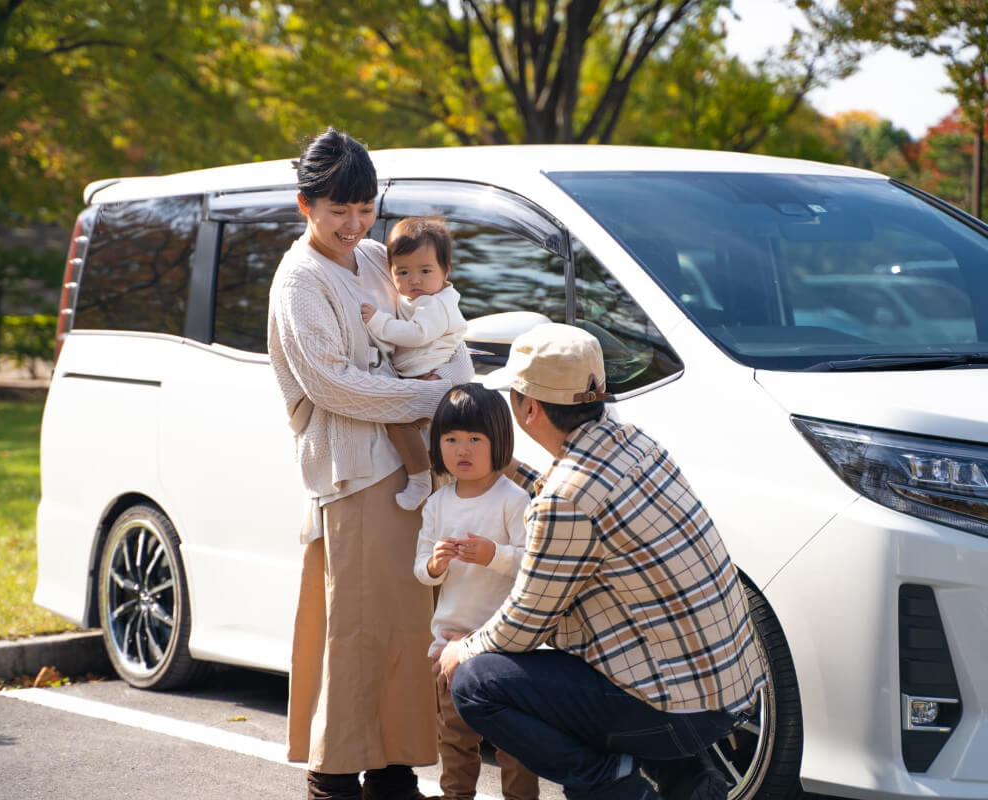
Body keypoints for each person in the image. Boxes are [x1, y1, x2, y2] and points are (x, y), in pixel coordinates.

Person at [434, 323, 767, 800]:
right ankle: (689, 784)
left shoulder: (567, 498)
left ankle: (611, 786)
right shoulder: (634, 443)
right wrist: (507, 467)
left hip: (674, 713)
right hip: (724, 695)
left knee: (476, 683)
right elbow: (572, 496)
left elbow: (522, 626)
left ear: (528, 408)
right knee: (614, 655)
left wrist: (460, 649)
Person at [267, 127, 473, 800]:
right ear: (306, 207)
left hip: (410, 465)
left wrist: (453, 395)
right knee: (356, 627)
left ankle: (392, 770)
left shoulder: (382, 256)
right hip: (355, 472)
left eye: (364, 208)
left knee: (408, 623)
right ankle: (332, 776)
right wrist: (430, 396)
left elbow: (433, 326)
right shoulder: (300, 278)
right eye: (338, 211)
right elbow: (333, 385)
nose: (354, 223)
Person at [413, 383, 540, 800]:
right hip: (448, 642)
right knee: (455, 739)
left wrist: (493, 555)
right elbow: (421, 571)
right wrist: (436, 564)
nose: (461, 449)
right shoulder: (438, 503)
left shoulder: (513, 499)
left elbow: (532, 564)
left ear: (498, 441)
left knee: (515, 743)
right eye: (450, 439)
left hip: (503, 646)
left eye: (474, 439)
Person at [361, 217, 469, 510]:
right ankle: (431, 482)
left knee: (400, 423)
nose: (414, 280)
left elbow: (417, 335)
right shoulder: (416, 298)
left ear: (445, 270)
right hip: (425, 378)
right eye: (403, 272)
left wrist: (377, 322)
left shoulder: (434, 303)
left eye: (425, 270)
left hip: (437, 381)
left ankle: (420, 480)